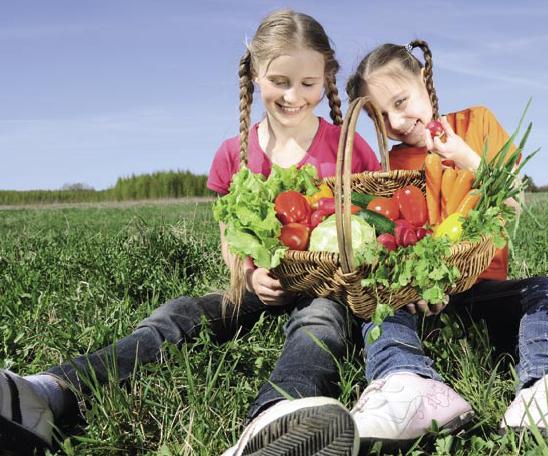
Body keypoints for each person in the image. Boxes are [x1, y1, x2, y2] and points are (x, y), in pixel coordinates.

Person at [0, 10, 381, 456]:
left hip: (325, 286)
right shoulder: (233, 153)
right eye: (280, 81)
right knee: (181, 314)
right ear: (257, 74)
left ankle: (274, 420)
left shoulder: (347, 146)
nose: (293, 95)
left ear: (327, 78)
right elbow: (230, 235)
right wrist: (248, 274)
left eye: (307, 84)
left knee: (320, 324)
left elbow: (372, 219)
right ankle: (48, 391)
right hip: (263, 284)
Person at [344, 39, 548, 446]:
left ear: (424, 78)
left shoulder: (476, 123)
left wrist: (466, 157)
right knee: (377, 305)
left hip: (483, 290)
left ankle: (547, 382)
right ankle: (405, 383)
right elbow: (387, 241)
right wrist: (409, 288)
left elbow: (516, 197)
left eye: (401, 101)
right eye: (381, 116)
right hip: (425, 305)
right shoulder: (387, 168)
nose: (396, 121)